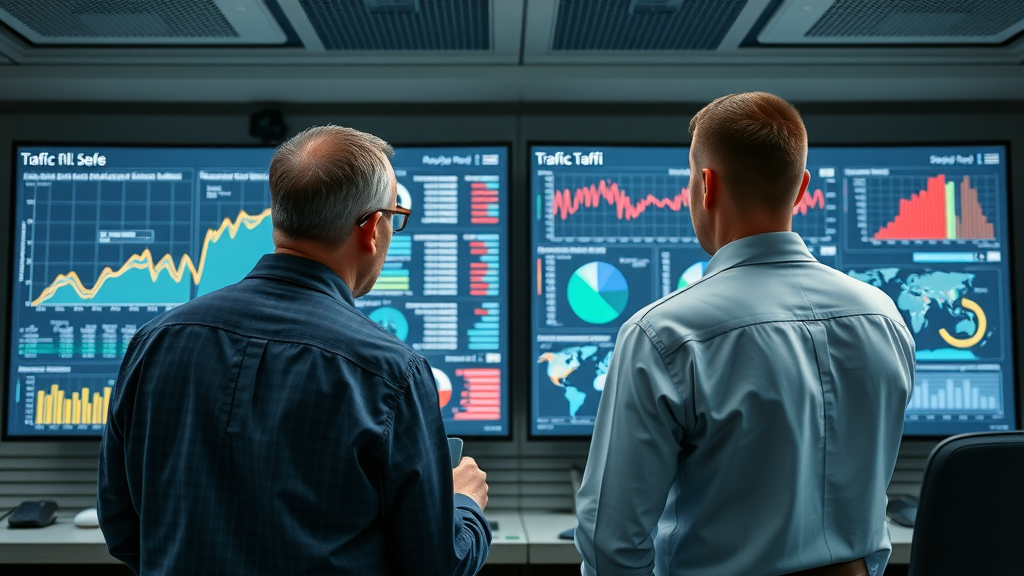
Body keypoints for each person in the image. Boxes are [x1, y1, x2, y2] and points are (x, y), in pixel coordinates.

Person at [97, 125, 491, 575]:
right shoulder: (391, 372)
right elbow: (438, 566)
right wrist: (463, 506)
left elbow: (124, 530)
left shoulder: (154, 342)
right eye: (393, 217)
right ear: (371, 229)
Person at [574, 93, 915, 576]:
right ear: (801, 190)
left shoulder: (664, 333)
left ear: (706, 185)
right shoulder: (885, 318)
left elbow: (612, 543)